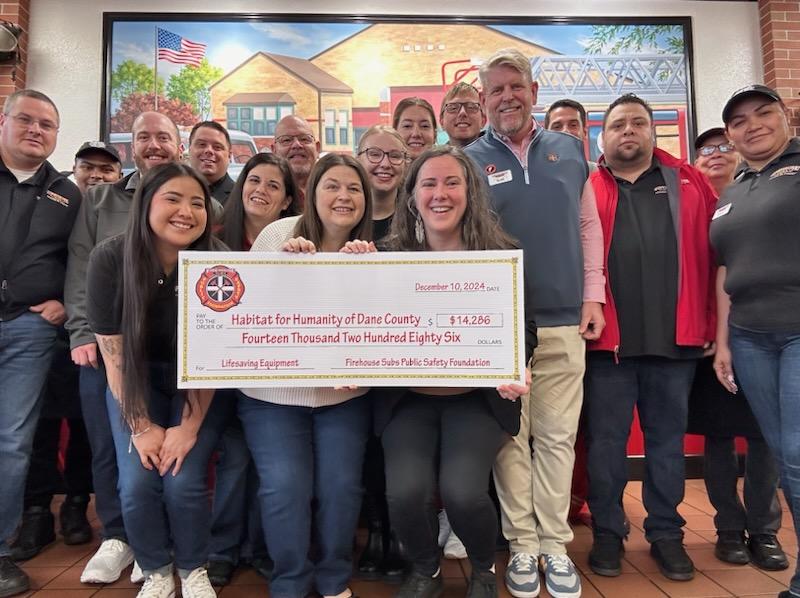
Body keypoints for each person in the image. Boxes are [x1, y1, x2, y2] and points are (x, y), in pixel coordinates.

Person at [465, 48, 605, 598]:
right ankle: (522, 544)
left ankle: (554, 545)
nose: (506, 97)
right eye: (495, 89)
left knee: (557, 439)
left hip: (564, 318)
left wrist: (593, 296)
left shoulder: (570, 150)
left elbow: (588, 227)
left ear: (533, 93)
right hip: (500, 326)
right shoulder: (469, 160)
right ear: (482, 100)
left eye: (515, 87)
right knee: (508, 441)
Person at [378, 145, 534, 598]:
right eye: (428, 183)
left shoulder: (502, 255)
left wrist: (518, 364)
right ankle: (424, 569)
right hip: (407, 401)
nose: (440, 193)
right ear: (412, 197)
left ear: (470, 193)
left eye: (452, 182)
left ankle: (484, 568)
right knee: (405, 492)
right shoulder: (384, 259)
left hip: (476, 400)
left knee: (463, 491)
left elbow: (524, 326)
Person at [584, 94, 717, 582]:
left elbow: (714, 254)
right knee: (605, 447)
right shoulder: (587, 186)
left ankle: (666, 534)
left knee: (665, 446)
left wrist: (708, 321)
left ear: (653, 131)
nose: (628, 131)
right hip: (609, 347)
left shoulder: (690, 182)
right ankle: (607, 531)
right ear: (603, 135)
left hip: (675, 342)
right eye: (618, 124)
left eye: (638, 122)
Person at [87, 162, 226, 598]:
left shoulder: (217, 263)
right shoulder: (110, 258)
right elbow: (115, 358)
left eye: (197, 202)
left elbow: (215, 356)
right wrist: (143, 427)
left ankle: (193, 568)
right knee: (138, 479)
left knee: (182, 478)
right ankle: (156, 569)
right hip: (134, 379)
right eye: (173, 198)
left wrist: (188, 427)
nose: (186, 211)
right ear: (146, 203)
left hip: (198, 382)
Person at [240, 153, 374, 598]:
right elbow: (248, 314)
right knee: (283, 489)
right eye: (331, 186)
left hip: (344, 400)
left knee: (340, 488)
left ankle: (334, 578)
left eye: (354, 188)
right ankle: (291, 581)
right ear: (312, 192)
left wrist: (367, 273)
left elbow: (385, 328)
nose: (343, 196)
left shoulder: (375, 250)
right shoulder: (279, 233)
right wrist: (284, 265)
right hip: (273, 396)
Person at [65, 111, 183, 585]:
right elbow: (79, 269)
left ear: (179, 144)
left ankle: (159, 540)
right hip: (105, 344)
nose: (153, 144)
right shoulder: (100, 198)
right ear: (130, 145)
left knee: (163, 451)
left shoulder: (194, 200)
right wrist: (81, 333)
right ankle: (118, 536)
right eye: (143, 137)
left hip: (167, 352)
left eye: (163, 137)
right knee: (109, 445)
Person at [710, 84, 800, 598]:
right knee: (783, 455)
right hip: (749, 337)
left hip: (797, 330)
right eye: (739, 121)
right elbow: (727, 270)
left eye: (763, 113)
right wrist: (723, 342)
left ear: (784, 116)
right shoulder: (734, 189)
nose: (753, 125)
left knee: (795, 454)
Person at [688, 127, 786, 570]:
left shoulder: (760, 199)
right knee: (719, 435)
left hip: (762, 333)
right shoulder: (690, 204)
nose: (715, 155)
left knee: (765, 436)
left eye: (723, 147)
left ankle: (764, 531)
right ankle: (728, 527)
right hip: (706, 341)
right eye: (705, 149)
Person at [0, 89, 82, 598]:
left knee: (11, 441)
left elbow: (82, 260)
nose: (36, 130)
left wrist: (65, 305)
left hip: (29, 330)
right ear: (4, 121)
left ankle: (0, 552)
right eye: (26, 120)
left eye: (47, 124)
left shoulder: (67, 194)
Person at [206, 152, 297, 586]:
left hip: (274, 383)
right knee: (236, 460)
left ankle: (260, 548)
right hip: (220, 381)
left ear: (286, 201)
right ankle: (222, 549)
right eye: (253, 180)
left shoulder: (300, 242)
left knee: (265, 464)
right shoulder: (214, 240)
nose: (260, 190)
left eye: (273, 185)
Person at [354, 125, 409, 581]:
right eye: (374, 153)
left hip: (405, 352)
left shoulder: (419, 216)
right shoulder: (343, 214)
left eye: (395, 156)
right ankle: (375, 529)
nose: (385, 163)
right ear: (358, 157)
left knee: (396, 443)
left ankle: (398, 532)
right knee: (367, 447)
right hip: (351, 356)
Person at [271, 115, 320, 210]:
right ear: (274, 150)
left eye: (304, 139)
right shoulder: (264, 194)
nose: (296, 145)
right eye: (286, 140)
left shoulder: (333, 192)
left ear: (317, 148)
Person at [188, 121, 234, 205]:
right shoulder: (173, 190)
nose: (209, 151)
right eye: (202, 144)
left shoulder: (240, 196)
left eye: (217, 147)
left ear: (229, 155)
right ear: (189, 150)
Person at [439, 83, 485, 148]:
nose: (462, 112)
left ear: (483, 120)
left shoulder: (500, 154)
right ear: (442, 121)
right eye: (453, 108)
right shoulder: (435, 157)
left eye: (471, 107)